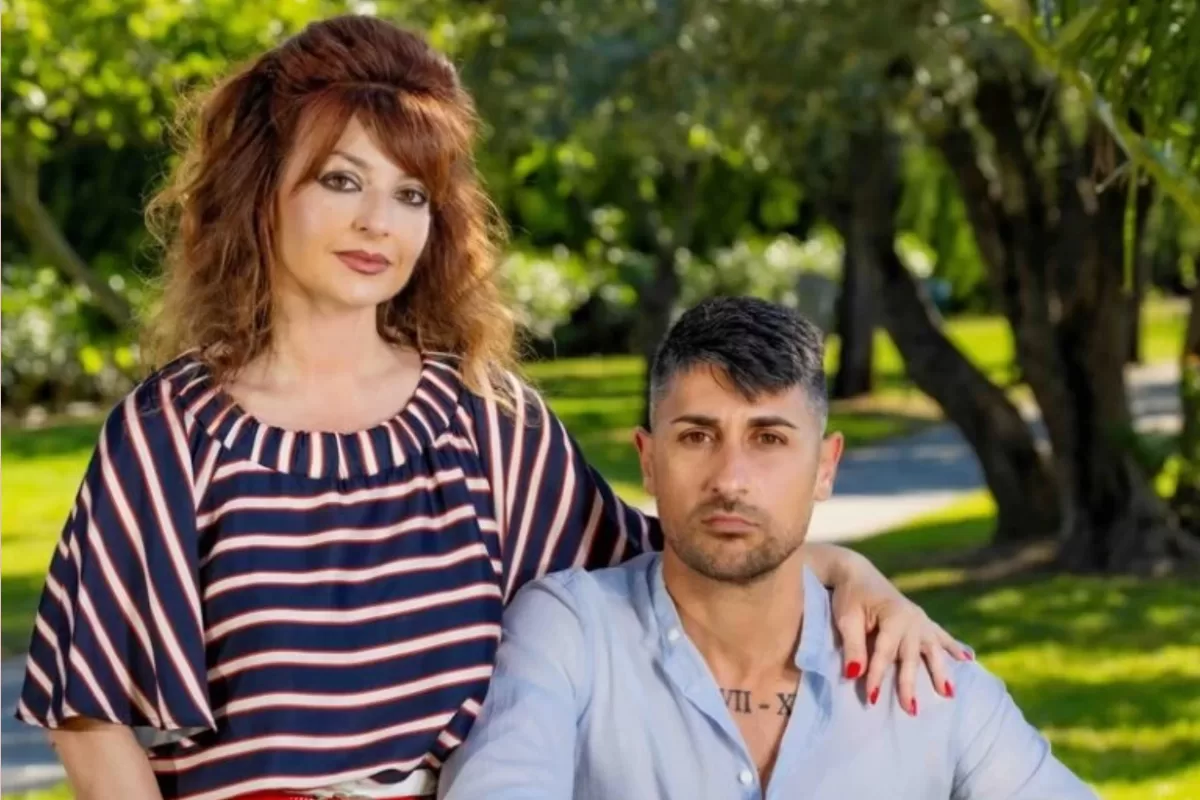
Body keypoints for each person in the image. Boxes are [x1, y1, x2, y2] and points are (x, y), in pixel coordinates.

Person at [15, 16, 967, 800]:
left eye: (411, 193)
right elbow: (90, 716)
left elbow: (671, 573)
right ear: (263, 190)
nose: (377, 222)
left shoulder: (485, 423)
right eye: (341, 180)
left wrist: (845, 572)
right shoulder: (173, 432)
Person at [438, 297, 1098, 800]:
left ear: (825, 467)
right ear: (648, 460)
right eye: (697, 437)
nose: (730, 479)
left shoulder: (919, 672)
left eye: (769, 439)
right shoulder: (570, 632)